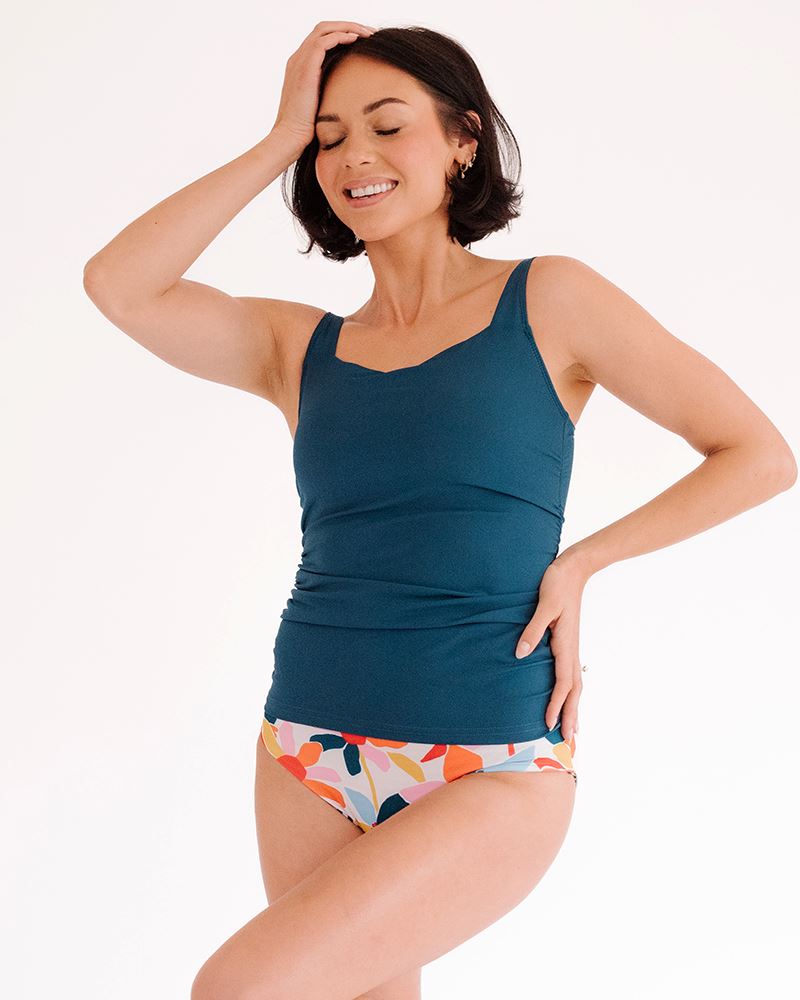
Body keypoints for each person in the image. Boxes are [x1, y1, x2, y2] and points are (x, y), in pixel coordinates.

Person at [83, 21, 796, 1000]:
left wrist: (581, 561)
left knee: (238, 987)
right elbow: (117, 284)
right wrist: (273, 138)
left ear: (463, 139)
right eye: (329, 137)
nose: (353, 156)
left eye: (386, 125)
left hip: (492, 754)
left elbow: (756, 454)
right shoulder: (300, 348)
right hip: (306, 748)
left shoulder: (548, 300)